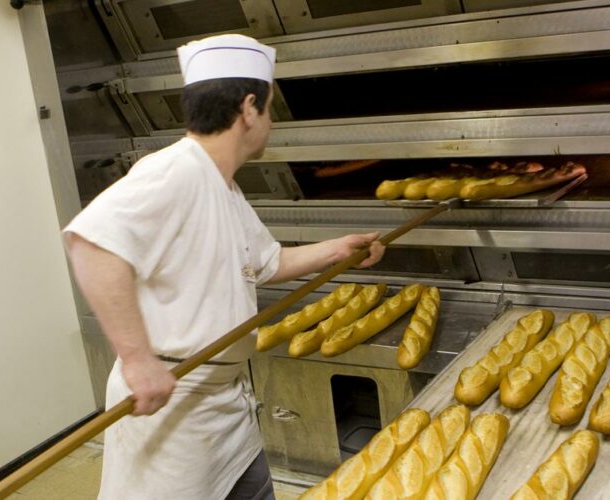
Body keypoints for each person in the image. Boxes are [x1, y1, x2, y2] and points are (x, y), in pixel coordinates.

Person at [63, 34, 385, 499]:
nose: (269, 123)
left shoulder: (223, 187)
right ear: (249, 107)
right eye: (270, 109)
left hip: (224, 405)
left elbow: (266, 263)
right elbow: (91, 245)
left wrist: (340, 249)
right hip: (174, 410)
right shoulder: (176, 171)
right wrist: (137, 360)